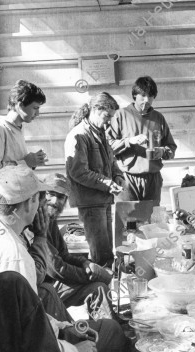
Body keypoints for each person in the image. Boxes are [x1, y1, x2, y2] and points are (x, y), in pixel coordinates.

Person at [0, 165, 129, 352]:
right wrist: (72, 349)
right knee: (112, 331)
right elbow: (26, 333)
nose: (46, 202)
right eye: (41, 197)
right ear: (29, 203)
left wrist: (62, 326)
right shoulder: (14, 255)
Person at [39, 173, 114, 313]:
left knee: (98, 288)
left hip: (51, 282)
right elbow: (56, 268)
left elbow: (64, 255)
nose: (55, 201)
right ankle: (110, 330)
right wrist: (90, 275)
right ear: (42, 194)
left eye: (61, 197)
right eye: (51, 194)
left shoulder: (51, 219)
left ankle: (107, 330)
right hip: (41, 290)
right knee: (98, 286)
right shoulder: (37, 220)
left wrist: (85, 263)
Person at [65, 93, 124, 267]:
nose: (109, 122)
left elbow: (111, 161)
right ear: (95, 110)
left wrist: (118, 176)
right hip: (90, 204)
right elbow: (78, 172)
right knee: (100, 256)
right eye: (107, 117)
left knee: (106, 252)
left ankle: (105, 286)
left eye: (111, 118)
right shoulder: (79, 135)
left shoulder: (101, 133)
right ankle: (100, 289)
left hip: (102, 201)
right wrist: (107, 184)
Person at [107, 76, 176, 205]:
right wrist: (128, 141)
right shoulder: (120, 115)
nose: (147, 100)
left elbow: (171, 148)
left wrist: (162, 152)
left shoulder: (158, 118)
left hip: (152, 179)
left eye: (150, 96)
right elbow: (108, 147)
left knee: (152, 221)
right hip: (127, 178)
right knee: (128, 221)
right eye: (142, 95)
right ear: (134, 95)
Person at [0, 79, 48, 182]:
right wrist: (25, 163)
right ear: (20, 105)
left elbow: (16, 163)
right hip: (4, 197)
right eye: (35, 108)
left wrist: (33, 161)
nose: (38, 113)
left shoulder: (18, 127)